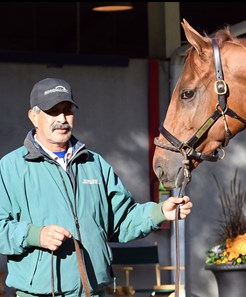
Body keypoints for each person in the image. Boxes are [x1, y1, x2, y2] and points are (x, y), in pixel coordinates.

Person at [0, 78, 192, 297]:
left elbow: (122, 221)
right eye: (53, 111)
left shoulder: (95, 164)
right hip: (41, 292)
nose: (62, 119)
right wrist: (36, 235)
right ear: (33, 116)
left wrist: (160, 212)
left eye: (68, 110)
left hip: (94, 291)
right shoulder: (10, 167)